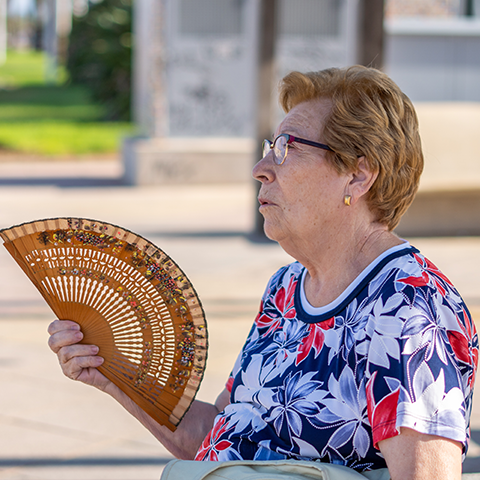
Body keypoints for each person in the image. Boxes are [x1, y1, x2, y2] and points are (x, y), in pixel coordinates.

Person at [48, 66, 478, 479]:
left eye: (287, 149)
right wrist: (116, 373)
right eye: (270, 147)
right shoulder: (288, 288)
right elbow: (223, 435)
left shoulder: (409, 308)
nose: (261, 169)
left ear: (357, 174)